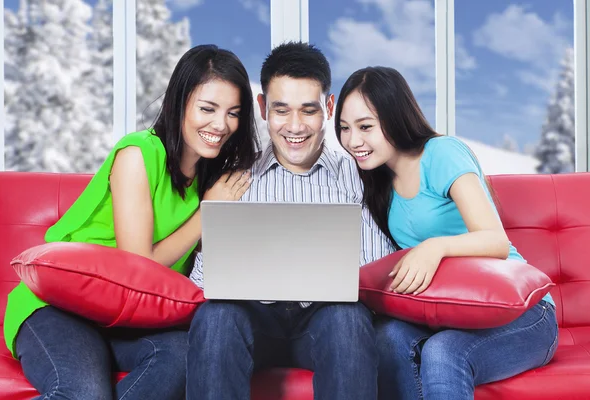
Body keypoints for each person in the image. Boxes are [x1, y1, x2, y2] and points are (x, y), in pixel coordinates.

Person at [3, 44, 260, 400]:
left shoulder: (213, 177)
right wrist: (207, 213)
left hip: (129, 320)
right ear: (179, 103)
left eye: (233, 113)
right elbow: (137, 269)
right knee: (83, 394)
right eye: (207, 108)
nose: (221, 124)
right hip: (59, 307)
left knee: (187, 354)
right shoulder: (138, 153)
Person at [335, 66, 559, 400]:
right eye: (344, 128)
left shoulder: (442, 153)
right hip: (450, 314)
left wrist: (434, 247)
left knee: (442, 353)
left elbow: (496, 242)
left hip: (523, 313)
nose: (353, 141)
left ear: (396, 116)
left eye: (365, 126)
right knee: (386, 339)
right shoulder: (380, 182)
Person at [186, 42, 393, 400]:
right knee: (216, 318)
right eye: (281, 110)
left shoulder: (357, 173)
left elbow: (379, 272)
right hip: (252, 323)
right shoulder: (232, 179)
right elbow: (203, 282)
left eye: (308, 111)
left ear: (328, 108)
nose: (295, 127)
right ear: (263, 108)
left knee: (348, 318)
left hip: (324, 324)